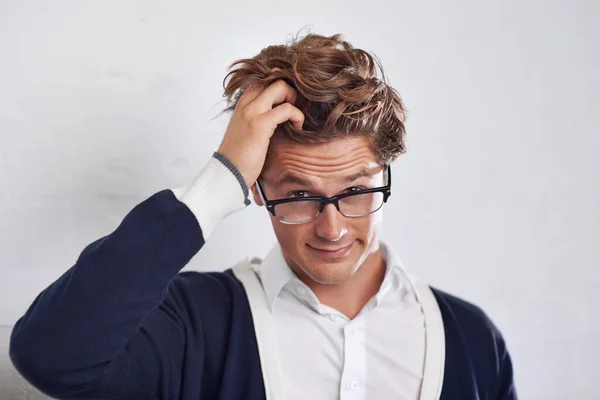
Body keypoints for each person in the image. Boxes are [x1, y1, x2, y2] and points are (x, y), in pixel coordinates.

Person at [9, 33, 517, 400]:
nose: (332, 228)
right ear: (255, 189)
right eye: (299, 195)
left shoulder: (472, 339)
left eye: (357, 190)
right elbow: (52, 358)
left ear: (386, 172)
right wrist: (219, 179)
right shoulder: (196, 324)